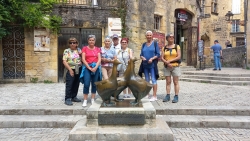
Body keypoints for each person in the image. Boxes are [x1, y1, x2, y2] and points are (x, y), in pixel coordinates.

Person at [80, 35, 102, 107]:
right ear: (88, 41)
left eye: (93, 40)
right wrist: (89, 67)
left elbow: (99, 59)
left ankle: (93, 99)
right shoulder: (84, 49)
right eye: (90, 40)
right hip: (87, 67)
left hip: (95, 67)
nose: (91, 41)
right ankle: (85, 100)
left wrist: (96, 67)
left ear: (95, 41)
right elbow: (83, 59)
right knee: (86, 84)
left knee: (94, 84)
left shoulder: (98, 49)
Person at [139, 30, 160, 102]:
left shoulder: (155, 43)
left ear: (152, 36)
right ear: (145, 36)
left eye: (150, 35)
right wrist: (143, 57)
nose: (149, 36)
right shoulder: (144, 44)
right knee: (147, 80)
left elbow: (158, 54)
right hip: (145, 64)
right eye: (147, 35)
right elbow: (141, 54)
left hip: (152, 65)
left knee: (153, 79)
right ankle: (147, 94)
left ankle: (154, 96)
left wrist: (152, 58)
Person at [161, 33, 181, 103]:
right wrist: (167, 63)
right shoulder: (164, 48)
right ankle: (168, 95)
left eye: (173, 37)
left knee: (175, 82)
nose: (172, 38)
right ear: (167, 38)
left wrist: (169, 61)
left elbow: (178, 56)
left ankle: (176, 96)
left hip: (175, 66)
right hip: (167, 67)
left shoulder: (177, 46)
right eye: (170, 37)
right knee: (168, 82)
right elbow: (162, 57)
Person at [62, 37, 82, 106]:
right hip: (70, 68)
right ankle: (67, 98)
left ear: (77, 44)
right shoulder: (66, 51)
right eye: (71, 43)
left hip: (78, 69)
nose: (72, 44)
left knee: (76, 84)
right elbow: (64, 61)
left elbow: (82, 59)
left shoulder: (79, 51)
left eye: (74, 43)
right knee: (69, 84)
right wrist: (70, 70)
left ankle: (74, 96)